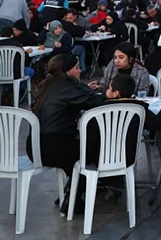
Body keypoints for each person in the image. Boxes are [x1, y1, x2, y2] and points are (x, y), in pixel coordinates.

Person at [32, 53, 103, 206]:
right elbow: (96, 102)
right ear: (67, 72)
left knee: (80, 149)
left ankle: (70, 193)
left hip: (34, 147)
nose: (80, 71)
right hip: (54, 148)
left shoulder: (45, 86)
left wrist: (81, 87)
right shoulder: (69, 88)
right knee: (92, 153)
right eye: (77, 68)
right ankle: (73, 199)